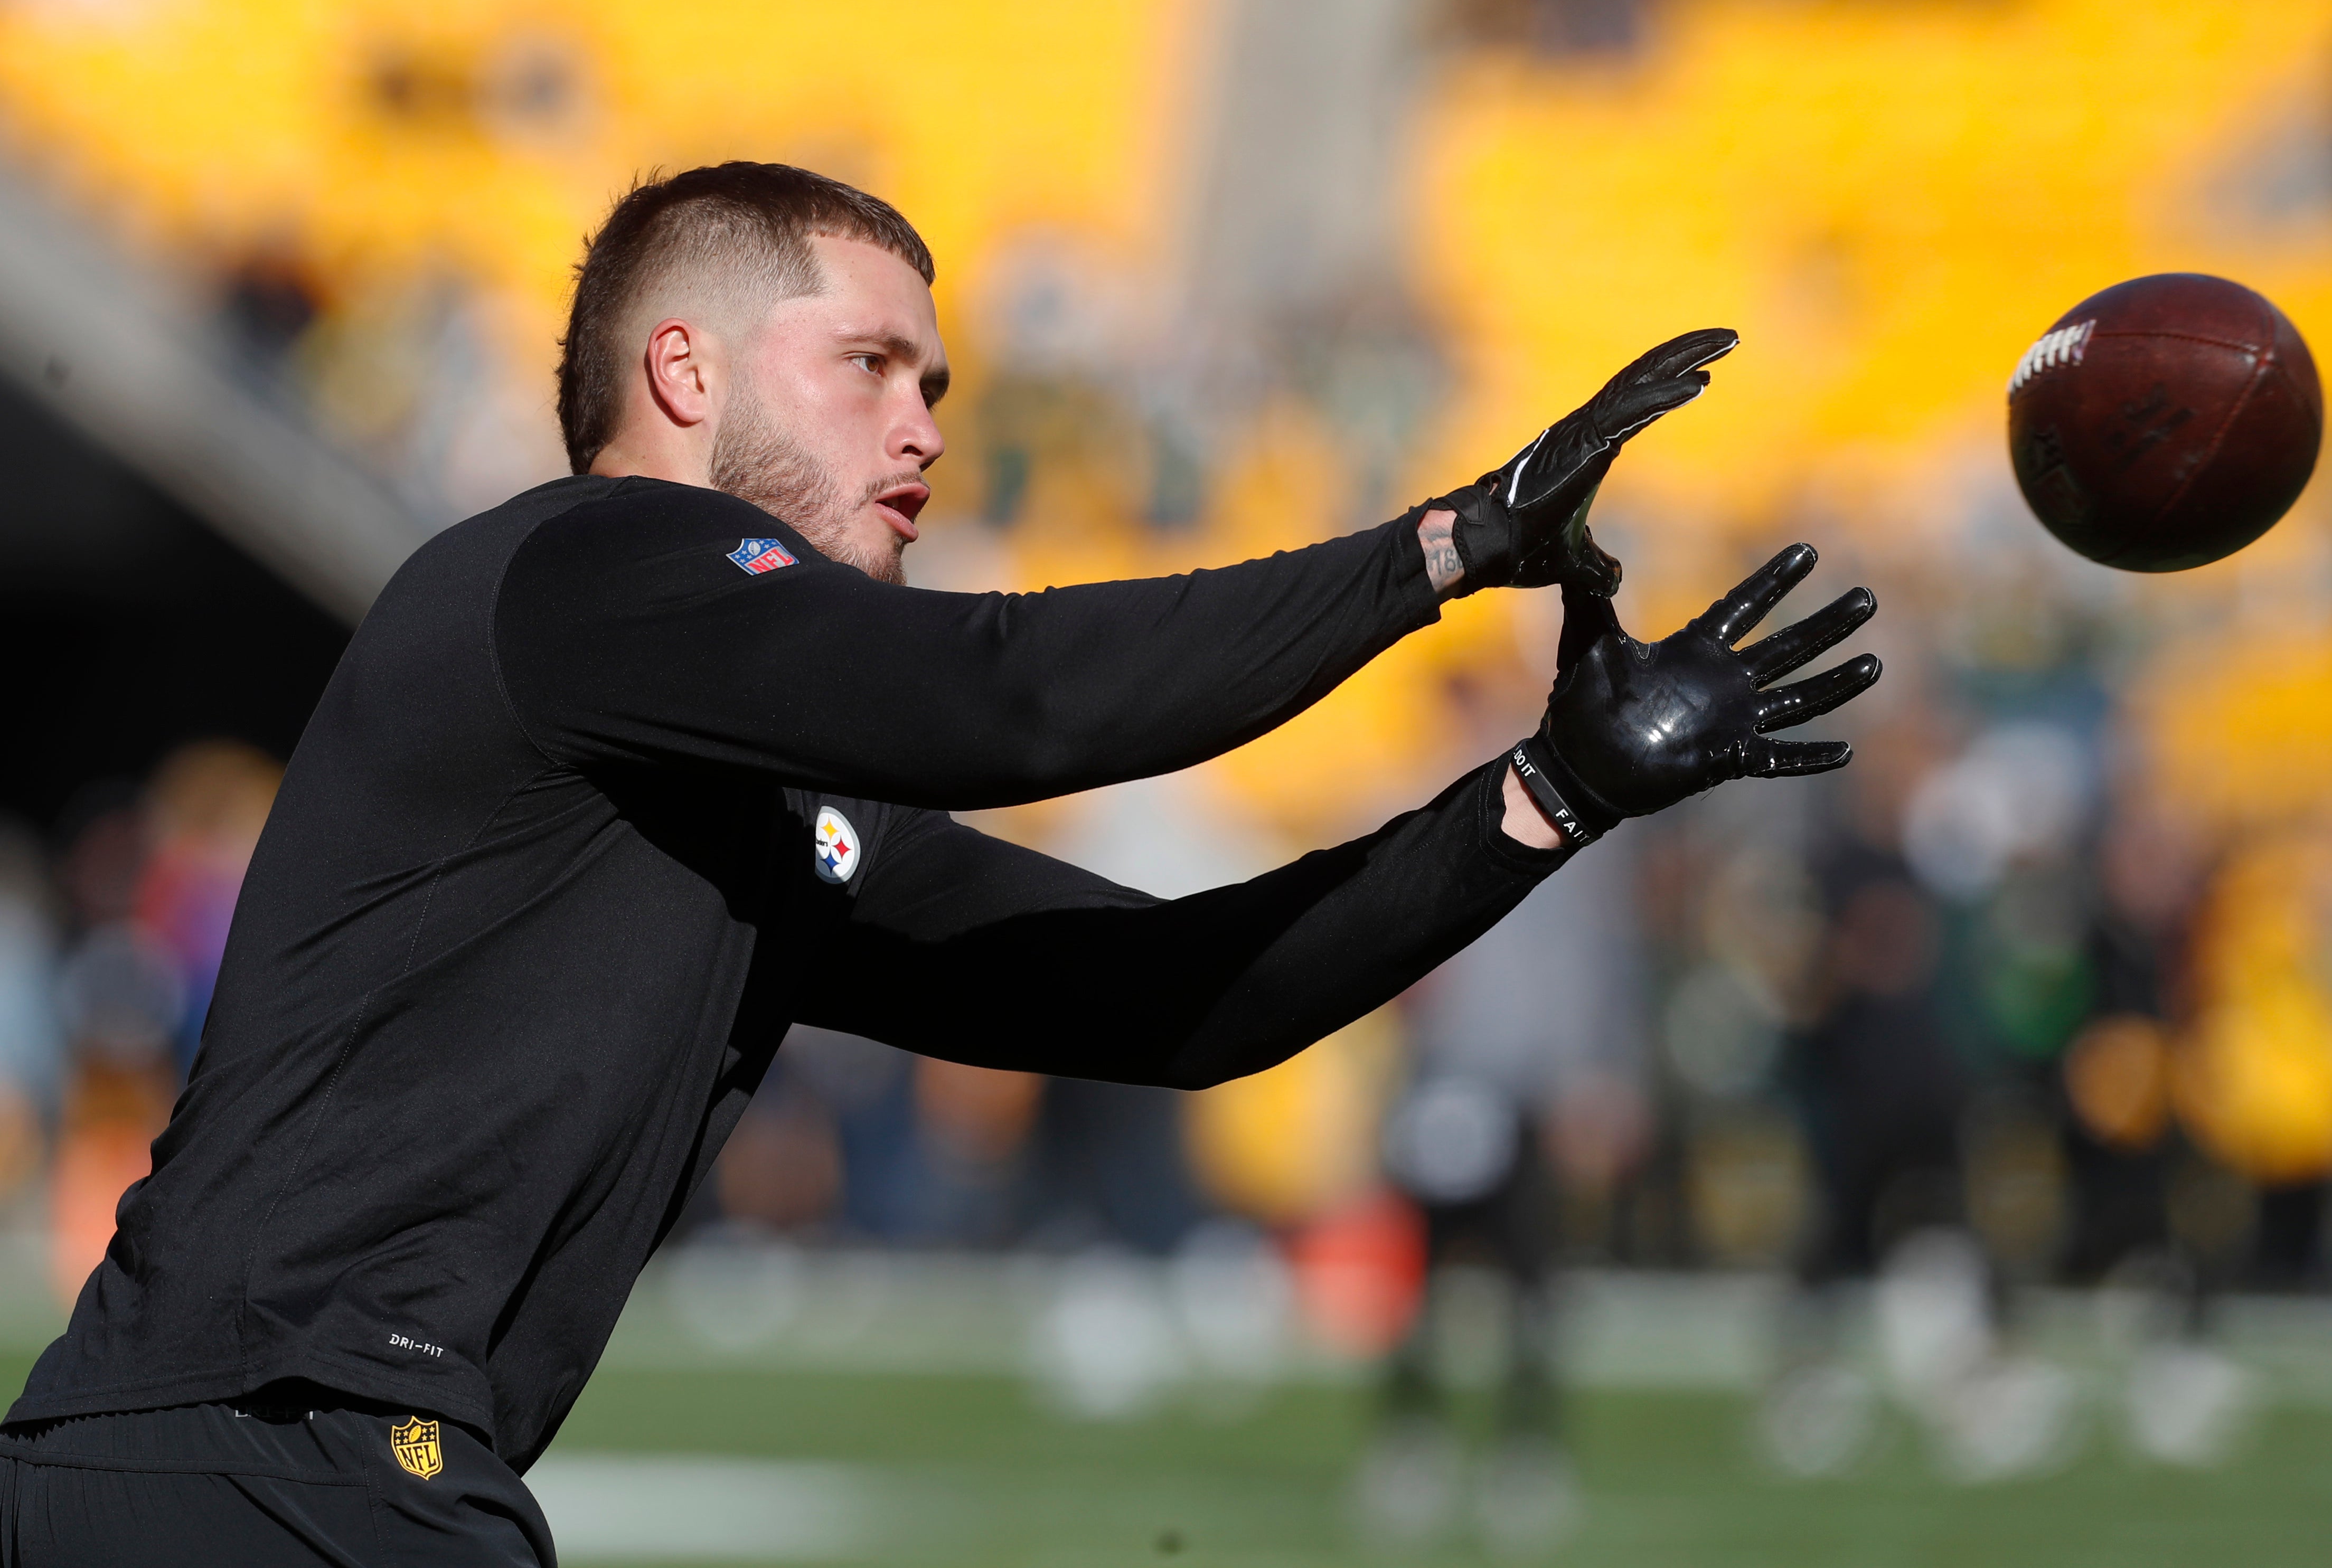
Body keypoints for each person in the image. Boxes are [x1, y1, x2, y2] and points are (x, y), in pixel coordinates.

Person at [0, 163, 1879, 1565]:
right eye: (871, 365)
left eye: (943, 384)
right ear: (681, 369)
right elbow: (1020, 700)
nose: (926, 426)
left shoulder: (749, 773)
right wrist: (1445, 547)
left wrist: (1545, 796)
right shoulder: (584, 564)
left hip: (281, 1462)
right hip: (268, 1451)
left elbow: (1178, 1002)